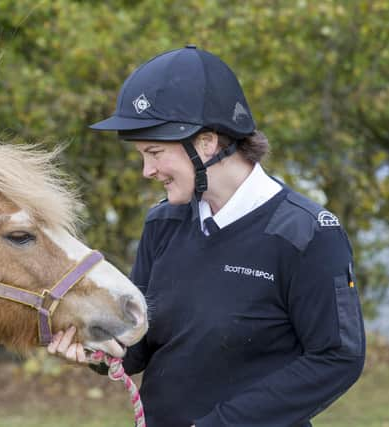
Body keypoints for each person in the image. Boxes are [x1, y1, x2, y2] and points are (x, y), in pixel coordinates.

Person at [48, 45, 365, 426]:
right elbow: (140, 346)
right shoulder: (162, 223)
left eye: (154, 152)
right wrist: (95, 349)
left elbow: (337, 358)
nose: (147, 170)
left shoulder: (307, 233)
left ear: (206, 143)